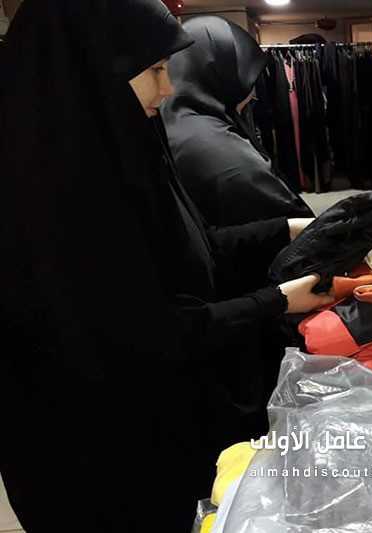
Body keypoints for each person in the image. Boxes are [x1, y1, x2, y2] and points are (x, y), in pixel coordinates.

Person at [0, 1, 332, 531]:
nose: (169, 87)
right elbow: (144, 333)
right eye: (154, 70)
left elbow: (187, 248)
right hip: (96, 463)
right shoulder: (50, 194)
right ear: (94, 68)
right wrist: (275, 301)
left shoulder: (119, 148)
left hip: (149, 428)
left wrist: (284, 229)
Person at [162, 16, 314, 227]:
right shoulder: (217, 149)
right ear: (223, 74)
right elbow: (289, 220)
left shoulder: (172, 123)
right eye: (248, 78)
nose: (253, 93)